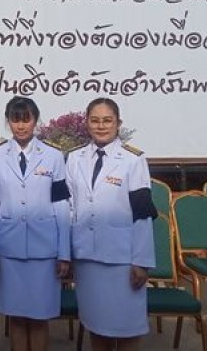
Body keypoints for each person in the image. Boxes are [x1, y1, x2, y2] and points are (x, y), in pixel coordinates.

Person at [66, 98, 157, 351]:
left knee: (127, 329)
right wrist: (69, 253)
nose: (101, 126)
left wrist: (141, 261)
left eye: (107, 120)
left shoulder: (133, 160)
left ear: (118, 123)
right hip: (87, 258)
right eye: (95, 120)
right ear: (87, 123)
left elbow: (142, 214)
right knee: (97, 326)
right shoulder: (74, 158)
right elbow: (70, 209)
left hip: (122, 260)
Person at [0, 96, 71, 351]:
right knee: (17, 317)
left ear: (35, 121)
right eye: (15, 119)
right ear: (8, 121)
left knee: (39, 317)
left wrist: (64, 253)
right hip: (9, 248)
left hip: (44, 250)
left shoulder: (53, 156)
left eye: (27, 119)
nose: (21, 126)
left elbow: (62, 206)